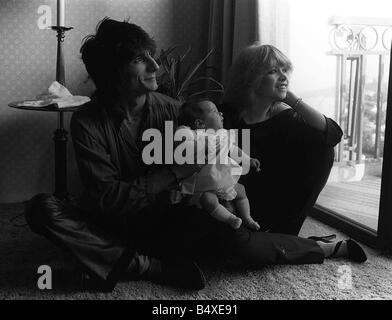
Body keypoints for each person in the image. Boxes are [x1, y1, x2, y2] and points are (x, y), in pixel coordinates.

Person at [24, 19, 366, 293]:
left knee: (225, 230)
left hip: (170, 220)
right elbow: (107, 199)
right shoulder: (87, 121)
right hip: (115, 222)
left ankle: (123, 261)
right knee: (42, 209)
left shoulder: (176, 112)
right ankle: (148, 267)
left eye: (151, 55)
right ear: (113, 72)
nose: (156, 65)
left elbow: (217, 163)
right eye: (141, 59)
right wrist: (175, 171)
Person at [223, 43, 344, 236]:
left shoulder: (286, 118)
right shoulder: (225, 115)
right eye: (273, 71)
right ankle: (311, 247)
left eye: (285, 70)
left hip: (273, 204)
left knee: (323, 148)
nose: (283, 76)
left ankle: (285, 236)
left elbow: (333, 134)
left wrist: (293, 100)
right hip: (231, 203)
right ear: (250, 77)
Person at [173, 100, 261, 230]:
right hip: (202, 184)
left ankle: (247, 218)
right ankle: (230, 218)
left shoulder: (223, 134)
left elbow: (233, 149)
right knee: (208, 200)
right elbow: (181, 141)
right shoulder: (192, 134)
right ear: (199, 123)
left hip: (222, 178)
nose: (220, 113)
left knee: (241, 190)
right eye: (214, 111)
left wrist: (248, 159)